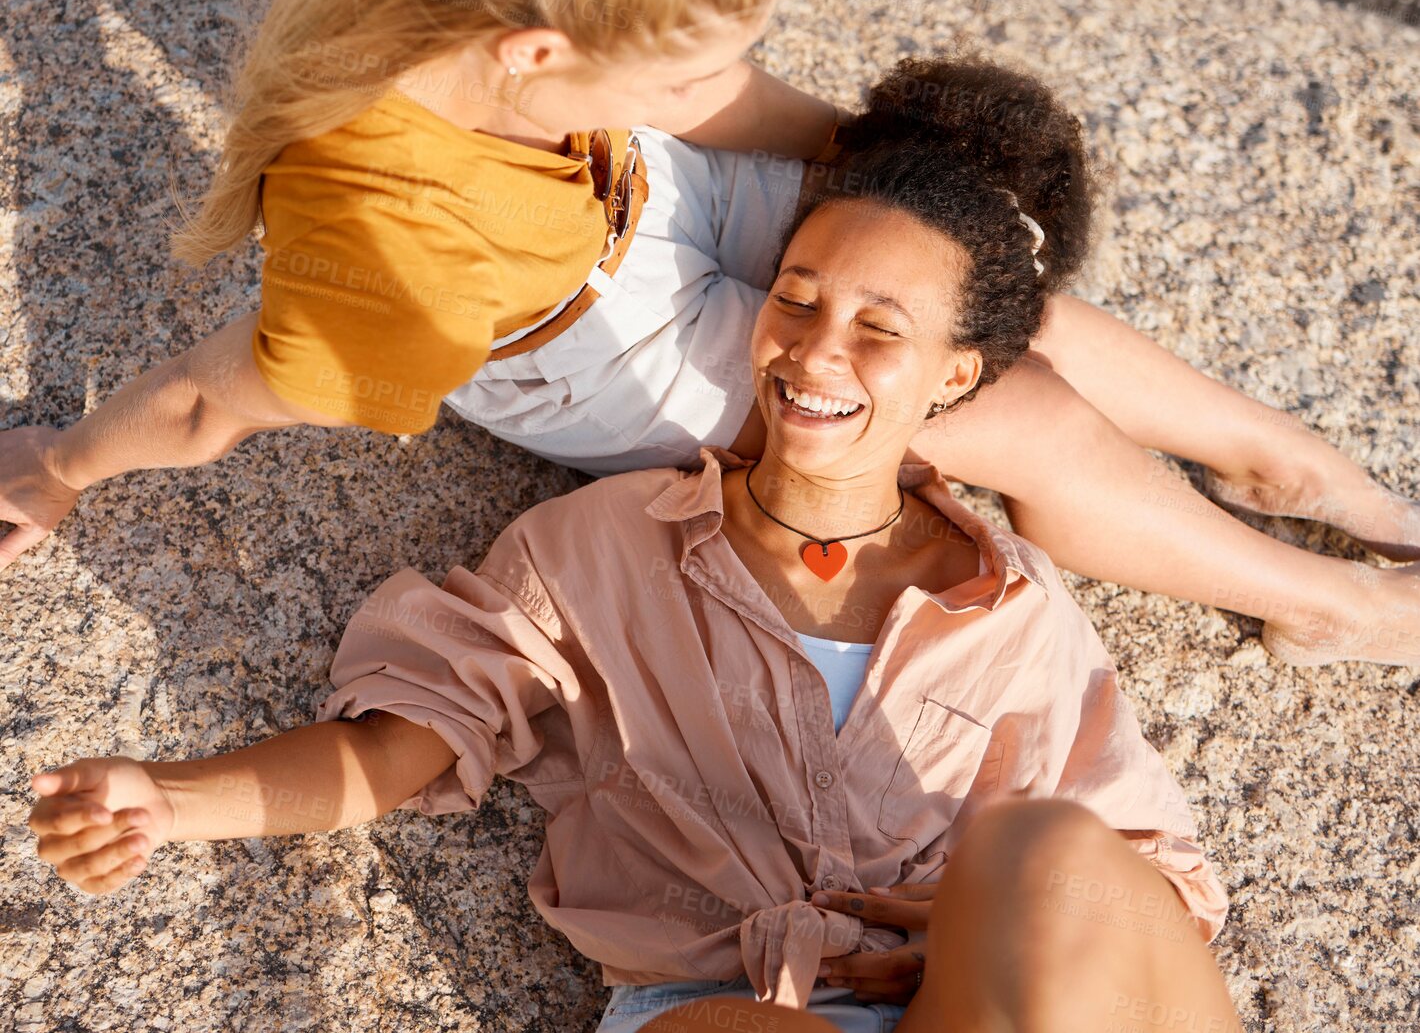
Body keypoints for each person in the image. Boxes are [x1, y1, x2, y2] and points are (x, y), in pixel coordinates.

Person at [1, 0, 1415, 668]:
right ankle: (1315, 594)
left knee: (950, 273)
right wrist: (57, 466)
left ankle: (1278, 458)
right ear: (542, 50)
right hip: (591, 340)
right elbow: (203, 397)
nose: (728, 89)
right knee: (1003, 405)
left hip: (627, 189)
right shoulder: (392, 248)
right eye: (689, 73)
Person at [27, 65, 1242, 1031]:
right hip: (727, 1005)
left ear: (957, 378)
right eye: (799, 297)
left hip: (981, 1005)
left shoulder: (1013, 605)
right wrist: (169, 806)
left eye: (881, 330)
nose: (815, 354)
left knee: (1036, 850)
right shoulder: (597, 550)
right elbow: (405, 744)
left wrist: (956, 930)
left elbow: (1153, 890)